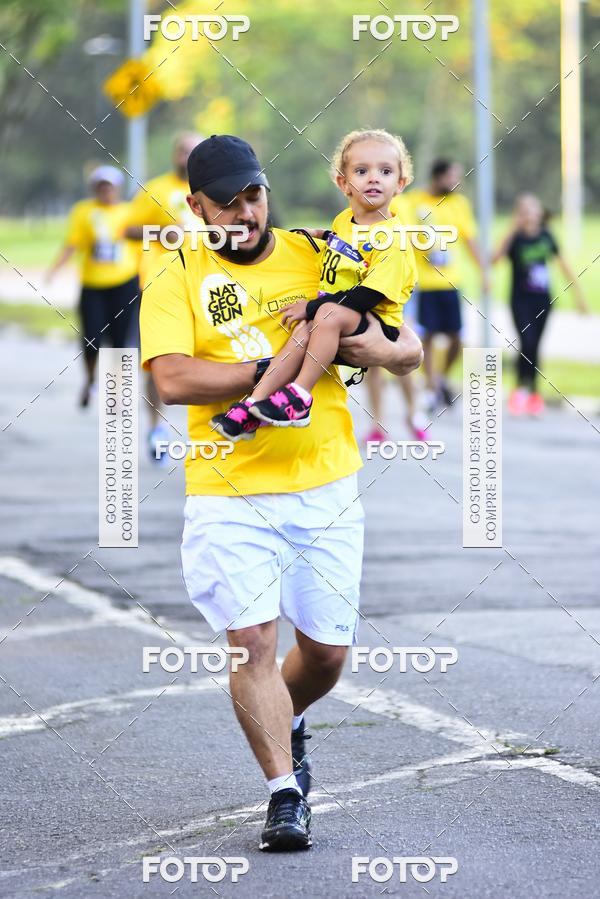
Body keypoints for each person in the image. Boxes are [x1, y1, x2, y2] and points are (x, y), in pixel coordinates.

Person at [140, 135, 423, 852]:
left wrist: (366, 346)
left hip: (324, 484)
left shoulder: (317, 249)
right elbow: (171, 378)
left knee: (326, 654)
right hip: (228, 490)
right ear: (195, 206)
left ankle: (282, 714)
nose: (245, 211)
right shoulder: (176, 272)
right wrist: (272, 365)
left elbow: (406, 345)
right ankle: (284, 793)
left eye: (254, 194)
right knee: (252, 642)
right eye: (227, 201)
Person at [210, 129, 417, 440]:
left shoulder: (393, 239)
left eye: (385, 171)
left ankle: (300, 398)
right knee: (301, 332)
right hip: (336, 319)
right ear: (343, 183)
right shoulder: (344, 221)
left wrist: (312, 306)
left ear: (400, 183)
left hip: (373, 323)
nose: (374, 178)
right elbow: (349, 250)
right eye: (361, 171)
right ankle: (251, 406)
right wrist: (323, 236)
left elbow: (368, 294)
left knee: (321, 316)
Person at [125, 132, 203, 462]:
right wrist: (160, 233)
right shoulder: (155, 189)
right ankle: (157, 427)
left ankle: (215, 431)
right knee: (160, 361)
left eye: (194, 151)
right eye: (182, 151)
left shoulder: (216, 190)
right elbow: (127, 229)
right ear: (174, 154)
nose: (187, 157)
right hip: (160, 285)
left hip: (206, 286)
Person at [393, 159, 487, 411]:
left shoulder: (459, 204)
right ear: (438, 176)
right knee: (428, 338)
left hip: (451, 282)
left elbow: (470, 240)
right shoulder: (414, 202)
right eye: (451, 176)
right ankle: (432, 387)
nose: (456, 182)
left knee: (457, 338)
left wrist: (484, 272)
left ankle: (441, 377)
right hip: (424, 283)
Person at [47, 166, 139, 407]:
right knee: (91, 338)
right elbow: (73, 243)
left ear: (117, 188)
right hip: (93, 285)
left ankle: (118, 392)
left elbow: (145, 243)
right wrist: (55, 269)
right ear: (94, 188)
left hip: (124, 283)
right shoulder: (84, 211)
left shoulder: (131, 212)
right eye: (101, 186)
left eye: (109, 186)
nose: (105, 190)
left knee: (120, 340)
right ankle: (90, 380)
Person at [493, 193, 588, 416]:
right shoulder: (515, 238)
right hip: (520, 300)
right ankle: (519, 391)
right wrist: (511, 230)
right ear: (518, 215)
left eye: (533, 210)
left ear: (539, 213)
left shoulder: (546, 236)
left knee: (535, 346)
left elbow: (564, 265)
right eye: (524, 211)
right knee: (527, 341)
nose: (530, 215)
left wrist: (579, 297)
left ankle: (533, 393)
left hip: (543, 300)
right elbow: (494, 259)